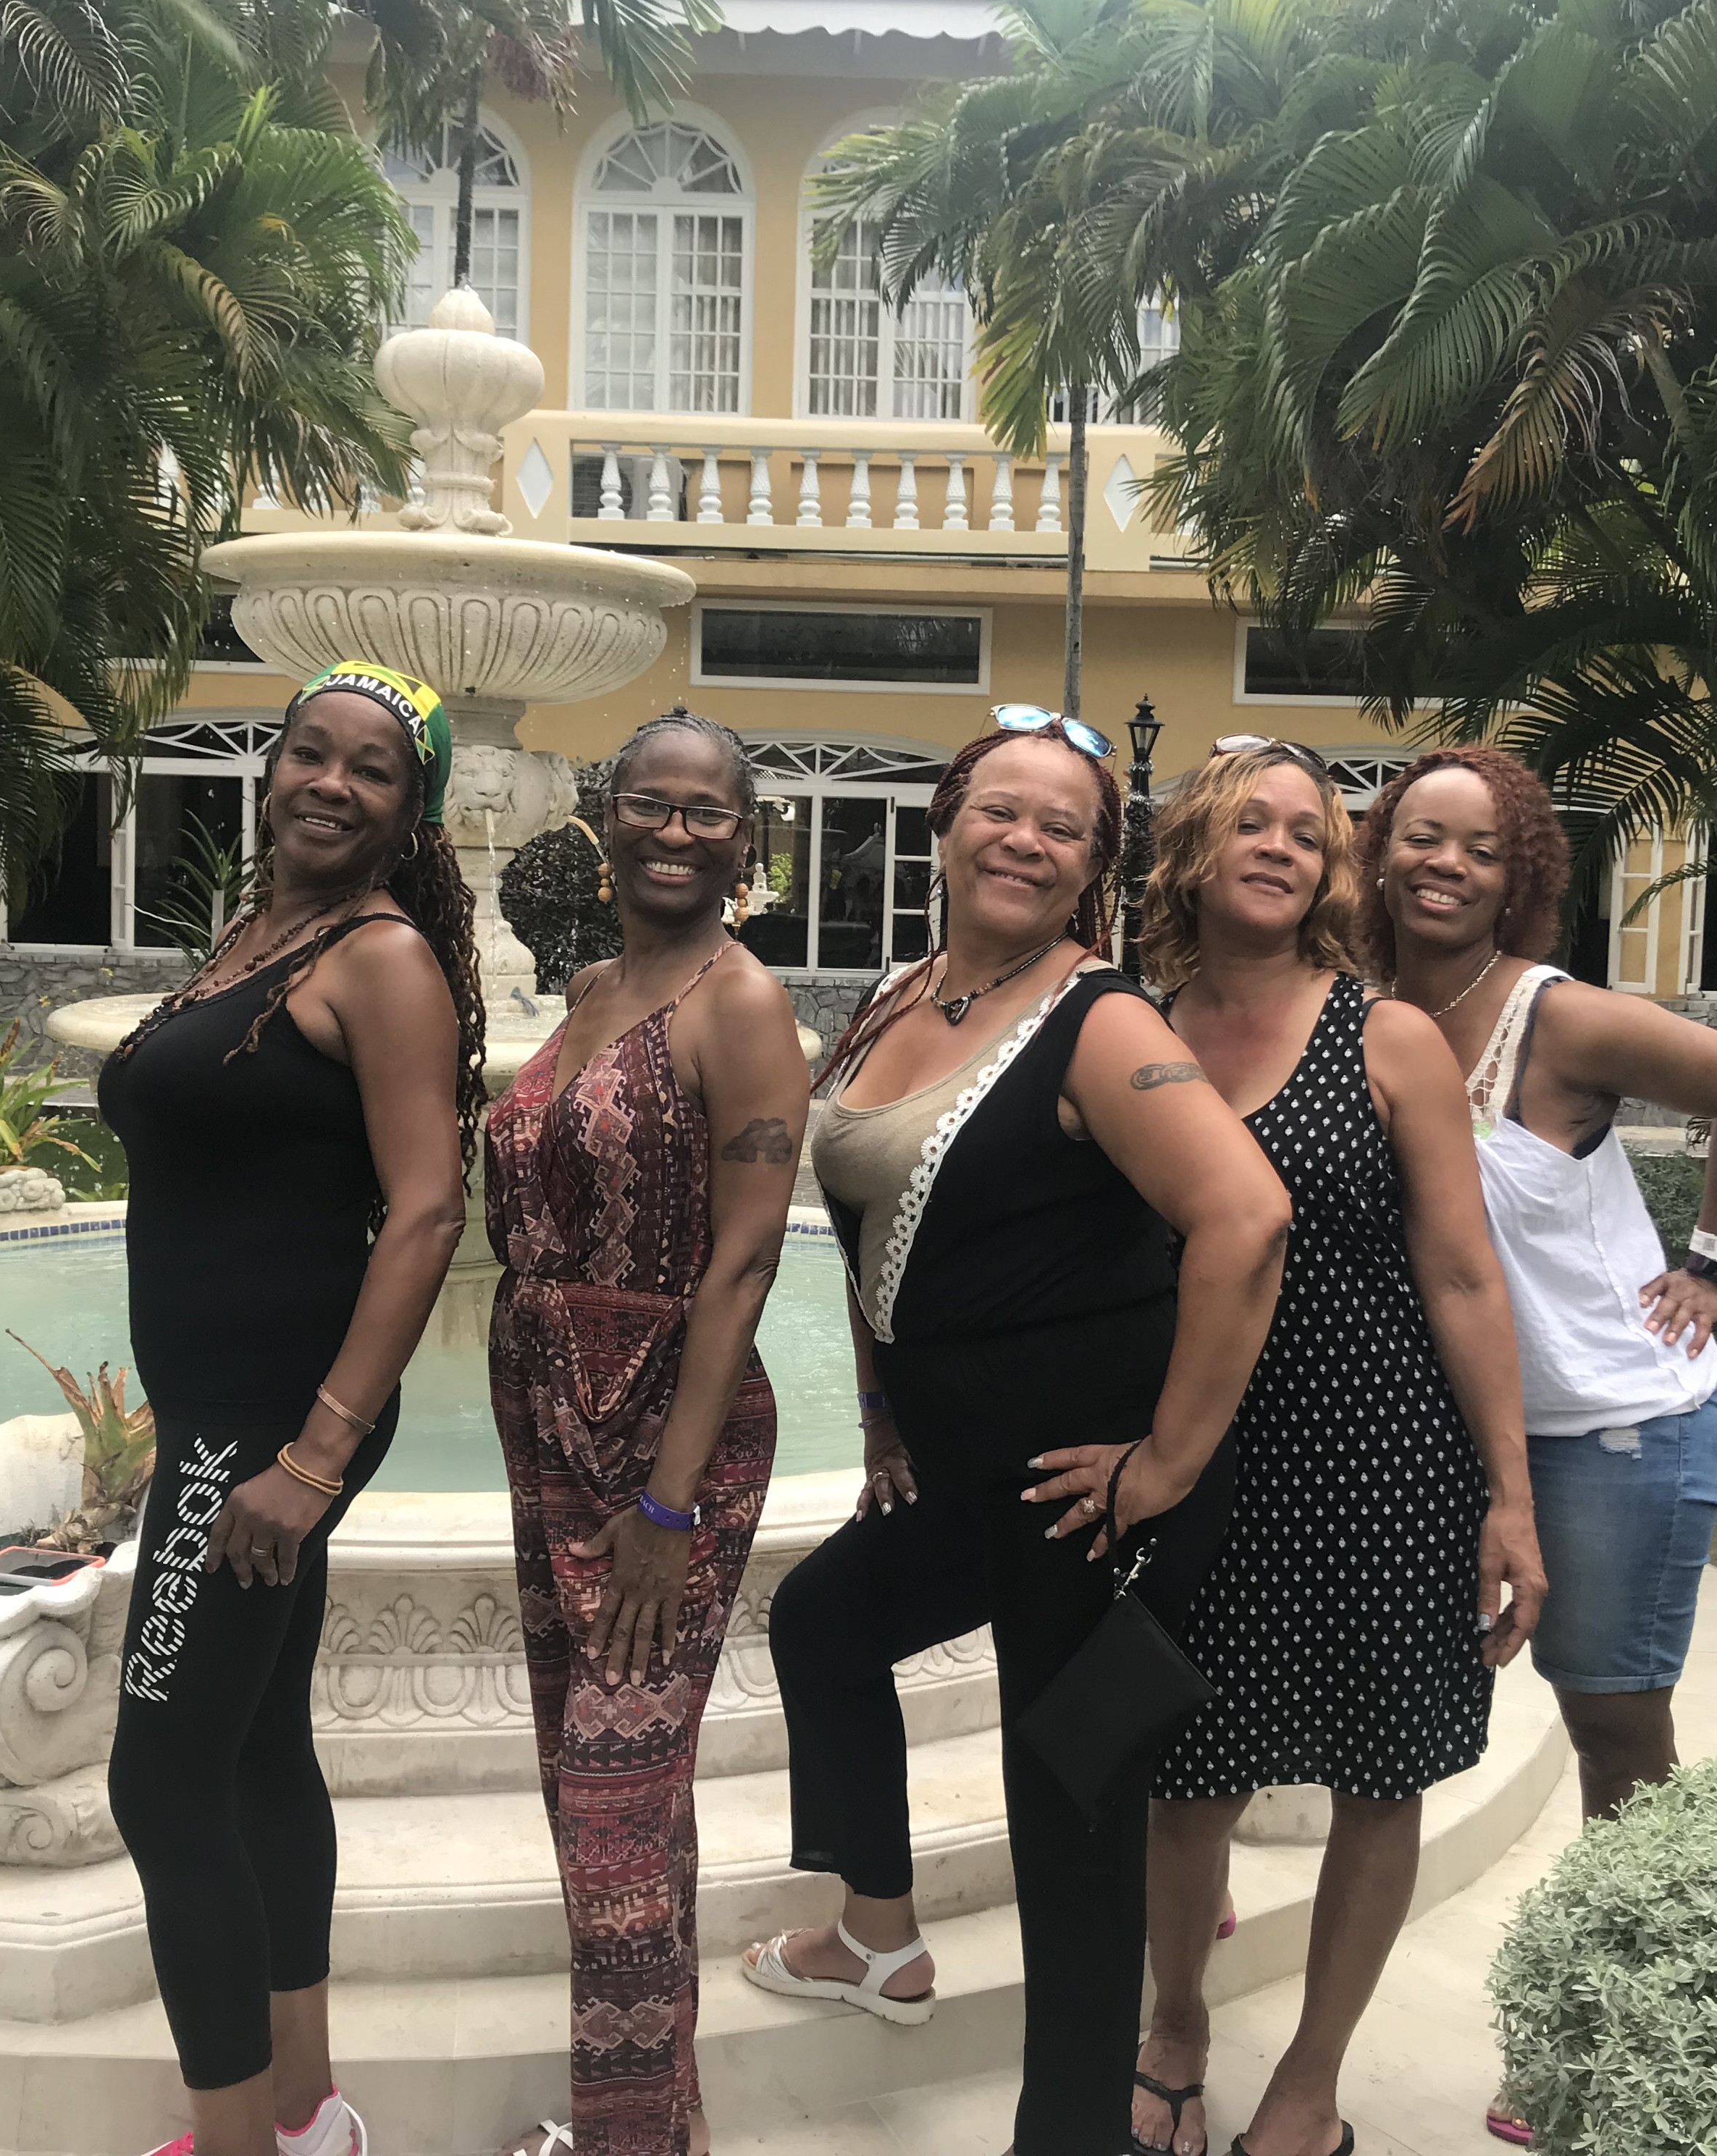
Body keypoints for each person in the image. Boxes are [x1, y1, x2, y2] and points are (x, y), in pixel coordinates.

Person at [742, 709, 1294, 2156]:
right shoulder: (896, 998)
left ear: (1095, 865)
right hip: (968, 1468)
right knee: (824, 1621)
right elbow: (866, 1221)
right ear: (944, 825)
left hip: (1087, 1493)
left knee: (1069, 1812)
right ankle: (879, 1933)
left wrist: (1169, 1463)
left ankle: (1072, 2137)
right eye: (1001, 809)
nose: (1026, 840)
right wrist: (879, 1411)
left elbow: (1248, 1218)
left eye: (1064, 825)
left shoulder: (1102, 1023)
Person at [1125, 739, 1545, 2156]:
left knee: (1381, 1773)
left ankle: (1309, 2085)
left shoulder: (1388, 1037)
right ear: (1194, 847)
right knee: (1188, 1775)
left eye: (1307, 832)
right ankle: (1174, 2028)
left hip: (1383, 1460)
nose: (1280, 846)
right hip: (1203, 1465)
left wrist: (1511, 1496)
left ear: (1331, 872)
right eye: (1250, 821)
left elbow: (1465, 1274)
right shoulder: (1133, 1032)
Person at [1359, 749, 1717, 2149]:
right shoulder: (1362, 1009)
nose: (1445, 864)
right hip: (1462, 1437)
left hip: (1616, 1427)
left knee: (1610, 1725)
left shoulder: (1559, 1019)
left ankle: (1617, 2029)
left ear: (1520, 876)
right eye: (1422, 836)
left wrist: (1713, 1264)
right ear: (1382, 852)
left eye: (1480, 849)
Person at [99, 660, 487, 2156]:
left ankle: (238, 2142)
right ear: (270, 770)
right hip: (225, 1406)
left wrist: (316, 1454)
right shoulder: (265, 933)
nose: (331, 781)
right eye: (310, 752)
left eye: (372, 768)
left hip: (269, 1425)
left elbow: (427, 1209)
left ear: (412, 811)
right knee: (256, 1748)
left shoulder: (381, 958)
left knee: (159, 1784)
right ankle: (304, 2107)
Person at [485, 709, 812, 2156]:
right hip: (550, 1416)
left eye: (709, 812)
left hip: (671, 1440)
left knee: (613, 1821)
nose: (677, 832)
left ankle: (627, 2136)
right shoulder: (594, 987)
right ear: (605, 815)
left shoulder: (741, 1003)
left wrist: (671, 1508)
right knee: (603, 1791)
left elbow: (746, 1259)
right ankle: (662, 2126)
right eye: (651, 803)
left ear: (745, 840)